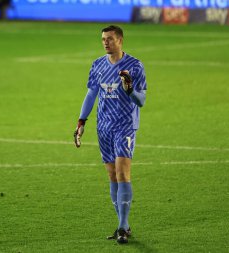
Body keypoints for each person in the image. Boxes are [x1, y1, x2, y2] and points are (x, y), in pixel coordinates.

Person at [74, 25, 147, 244]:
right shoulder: (97, 65)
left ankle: (123, 226)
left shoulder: (134, 66)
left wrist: (129, 90)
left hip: (125, 125)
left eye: (110, 39)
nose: (105, 42)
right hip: (103, 127)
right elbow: (90, 94)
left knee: (123, 173)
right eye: (103, 39)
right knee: (112, 176)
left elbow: (141, 101)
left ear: (120, 40)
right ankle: (122, 225)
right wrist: (81, 120)